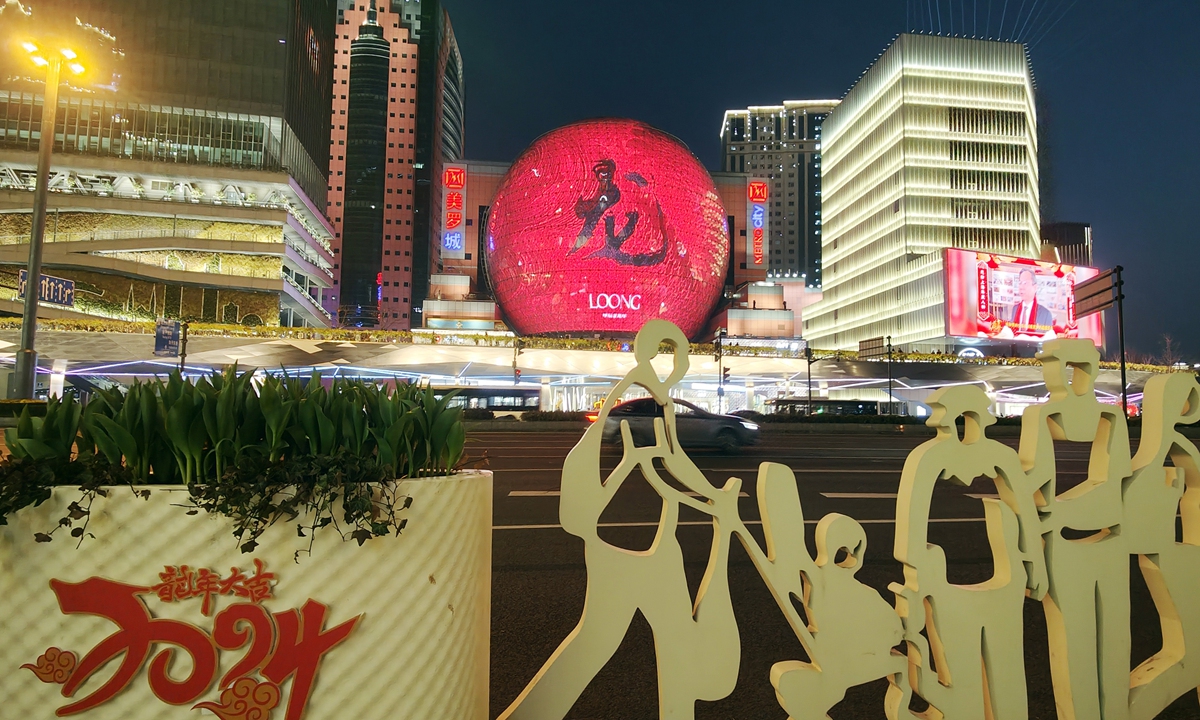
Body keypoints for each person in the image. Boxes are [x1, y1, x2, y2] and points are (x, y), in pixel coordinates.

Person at [1004, 268, 1053, 333]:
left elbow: (1048, 341)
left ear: (1035, 287)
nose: (1021, 287)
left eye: (1025, 283)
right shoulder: (1015, 309)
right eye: (1020, 283)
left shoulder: (1046, 314)